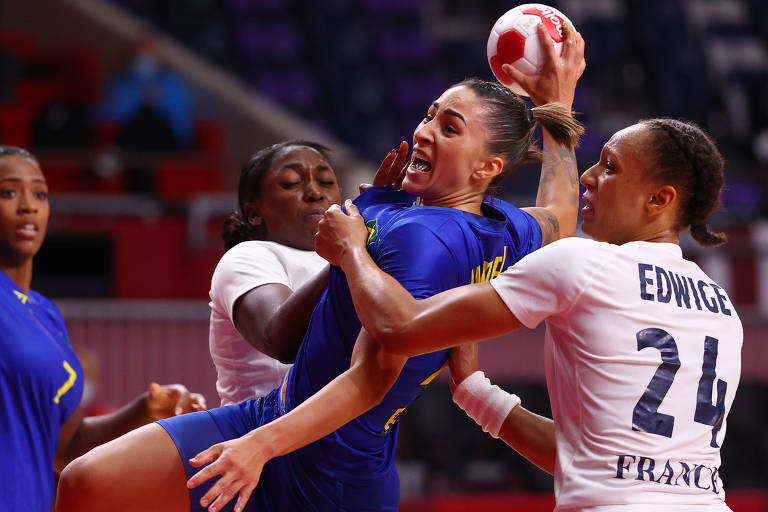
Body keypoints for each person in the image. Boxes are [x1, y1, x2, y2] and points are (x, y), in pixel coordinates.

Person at [56, 23, 585, 512]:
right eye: (429, 115)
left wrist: (353, 250)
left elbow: (372, 378)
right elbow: (560, 215)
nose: (425, 132)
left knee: (88, 485)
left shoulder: (425, 239)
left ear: (488, 166)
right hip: (281, 417)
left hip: (328, 466)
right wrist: (557, 107)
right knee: (86, 481)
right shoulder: (500, 225)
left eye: (450, 128)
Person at [302, 117, 741, 511]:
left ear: (659, 199)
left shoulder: (584, 263)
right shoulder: (722, 308)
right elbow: (589, 462)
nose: (588, 176)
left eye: (610, 167)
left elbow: (400, 328)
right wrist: (476, 393)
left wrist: (353, 250)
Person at [0, 145, 207, 512]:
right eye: (9, 192)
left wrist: (145, 411)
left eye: (40, 193)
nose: (29, 205)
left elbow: (64, 449)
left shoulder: (45, 313)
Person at [210, 140, 341, 405]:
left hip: (348, 438)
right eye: (292, 183)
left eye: (326, 181)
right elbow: (281, 340)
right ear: (254, 213)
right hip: (261, 438)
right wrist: (347, 259)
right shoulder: (249, 255)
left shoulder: (355, 260)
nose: (315, 192)